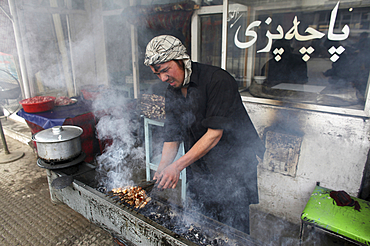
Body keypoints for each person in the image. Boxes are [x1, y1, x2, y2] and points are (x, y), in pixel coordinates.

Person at [144, 35, 265, 234]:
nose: (163, 78)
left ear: (182, 60)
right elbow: (172, 136)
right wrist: (163, 168)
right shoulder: (172, 91)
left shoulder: (218, 80)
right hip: (200, 166)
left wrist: (177, 166)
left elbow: (214, 135)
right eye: (157, 74)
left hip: (232, 166)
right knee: (203, 224)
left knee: (233, 229)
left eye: (166, 70)